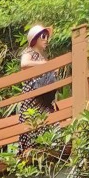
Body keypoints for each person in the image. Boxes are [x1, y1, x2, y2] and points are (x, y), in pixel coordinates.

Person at [18, 23, 59, 155]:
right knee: (33, 121)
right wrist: (45, 65)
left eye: (47, 36)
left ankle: (51, 147)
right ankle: (31, 151)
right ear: (35, 39)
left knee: (49, 118)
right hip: (32, 96)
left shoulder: (42, 57)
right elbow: (24, 64)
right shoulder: (29, 52)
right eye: (43, 36)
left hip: (44, 97)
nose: (46, 39)